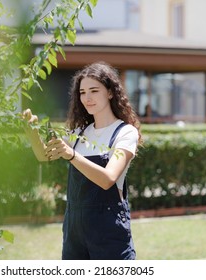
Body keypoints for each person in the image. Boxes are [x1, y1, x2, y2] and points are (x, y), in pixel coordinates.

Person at [22, 61, 142, 260]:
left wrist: (71, 155)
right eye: (82, 92)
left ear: (110, 92)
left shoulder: (125, 133)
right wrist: (31, 132)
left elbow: (108, 178)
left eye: (94, 91)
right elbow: (44, 156)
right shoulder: (79, 134)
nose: (87, 98)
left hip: (109, 231)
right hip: (74, 232)